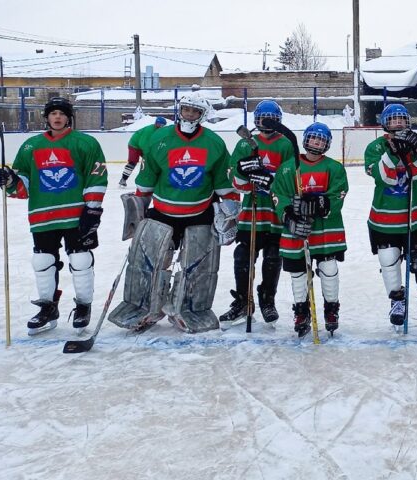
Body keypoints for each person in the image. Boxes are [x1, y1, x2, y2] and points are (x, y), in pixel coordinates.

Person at [108, 93, 237, 333]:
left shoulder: (214, 143)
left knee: (197, 267)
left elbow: (223, 182)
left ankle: (188, 308)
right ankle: (148, 307)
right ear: (180, 110)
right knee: (151, 263)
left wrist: (229, 214)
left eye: (195, 111)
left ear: (202, 115)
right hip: (163, 212)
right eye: (186, 109)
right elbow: (146, 181)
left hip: (200, 213)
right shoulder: (159, 139)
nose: (189, 114)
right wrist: (137, 212)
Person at [0, 97, 106, 334]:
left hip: (76, 214)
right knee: (43, 262)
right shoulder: (31, 146)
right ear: (47, 117)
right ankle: (48, 307)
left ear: (69, 117)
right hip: (43, 215)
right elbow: (22, 182)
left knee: (80, 260)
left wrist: (93, 210)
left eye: (62, 113)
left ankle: (84, 307)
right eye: (53, 113)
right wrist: (10, 181)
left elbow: (96, 177)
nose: (57, 117)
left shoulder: (85, 143)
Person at [363, 103, 417, 331]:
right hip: (384, 218)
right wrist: (393, 151)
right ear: (385, 124)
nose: (398, 123)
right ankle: (397, 302)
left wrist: (415, 150)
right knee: (389, 259)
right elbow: (386, 177)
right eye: (393, 120)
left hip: (413, 217)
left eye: (402, 119)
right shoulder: (375, 147)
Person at [220, 100, 295, 327]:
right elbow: (234, 178)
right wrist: (246, 175)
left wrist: (269, 179)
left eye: (271, 119)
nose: (266, 123)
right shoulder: (246, 144)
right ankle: (243, 301)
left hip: (274, 212)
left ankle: (266, 299)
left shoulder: (286, 144)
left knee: (273, 256)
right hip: (251, 212)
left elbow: (291, 179)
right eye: (262, 118)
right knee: (242, 256)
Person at [271, 122, 349, 337]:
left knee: (329, 270)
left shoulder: (334, 168)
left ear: (327, 144)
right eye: (314, 138)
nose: (317, 142)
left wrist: (318, 204)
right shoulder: (288, 167)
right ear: (306, 140)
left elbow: (338, 196)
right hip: (297, 232)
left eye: (322, 139)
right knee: (298, 273)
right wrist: (289, 214)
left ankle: (331, 310)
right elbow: (279, 195)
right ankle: (301, 311)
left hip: (326, 231)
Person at [119, 115, 168, 187]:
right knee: (133, 162)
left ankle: (153, 179)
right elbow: (143, 143)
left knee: (152, 162)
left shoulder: (160, 131)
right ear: (156, 123)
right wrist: (148, 154)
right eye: (160, 124)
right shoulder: (149, 130)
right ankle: (123, 179)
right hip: (134, 145)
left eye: (163, 125)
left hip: (143, 146)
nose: (161, 126)